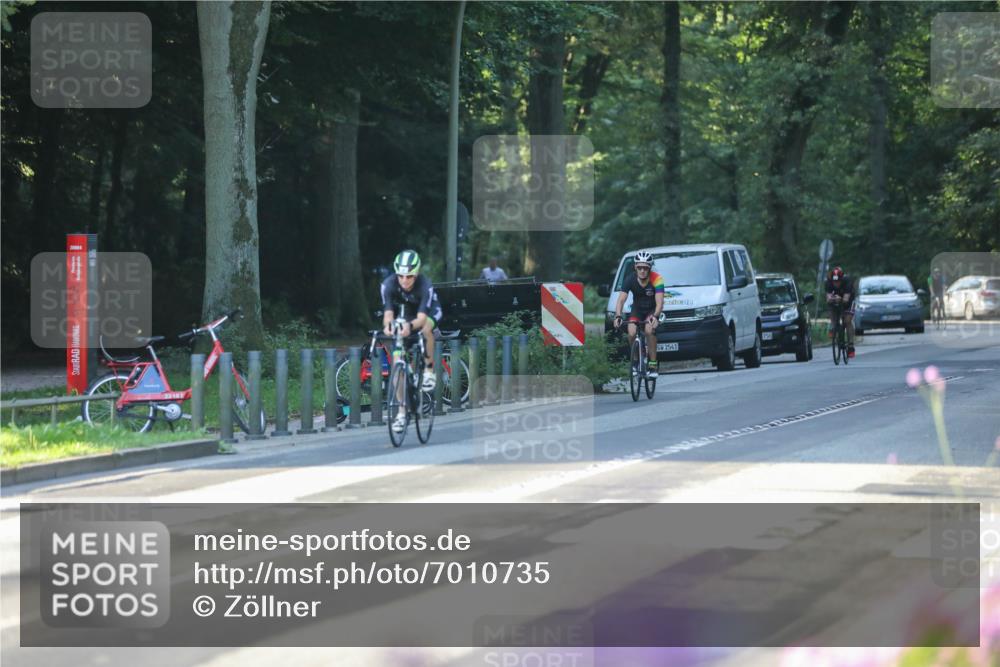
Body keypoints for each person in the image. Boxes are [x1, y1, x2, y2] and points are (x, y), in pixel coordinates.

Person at [380, 250, 443, 432]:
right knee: (397, 365)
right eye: (401, 276)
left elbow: (422, 318)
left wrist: (409, 326)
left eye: (409, 276)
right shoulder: (388, 285)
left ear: (416, 274)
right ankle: (402, 411)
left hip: (429, 312)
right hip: (406, 313)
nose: (405, 280)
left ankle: (429, 371)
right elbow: (388, 315)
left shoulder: (425, 285)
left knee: (424, 329)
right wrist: (389, 327)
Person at [612, 251, 664, 377]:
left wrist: (655, 316)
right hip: (637, 309)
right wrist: (618, 316)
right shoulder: (630, 279)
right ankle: (636, 360)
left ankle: (652, 364)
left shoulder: (657, 279)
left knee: (648, 331)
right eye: (639, 267)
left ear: (649, 268)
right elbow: (621, 300)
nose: (642, 271)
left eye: (645, 268)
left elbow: (660, 302)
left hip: (652, 310)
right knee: (631, 332)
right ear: (635, 267)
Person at [825, 266, 856, 359]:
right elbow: (828, 298)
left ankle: (850, 346)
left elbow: (846, 300)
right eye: (834, 281)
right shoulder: (828, 283)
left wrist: (841, 299)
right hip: (836, 301)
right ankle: (833, 327)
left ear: (842, 279)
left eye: (838, 281)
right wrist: (830, 299)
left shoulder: (847, 282)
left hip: (848, 301)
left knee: (847, 321)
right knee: (831, 309)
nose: (836, 283)